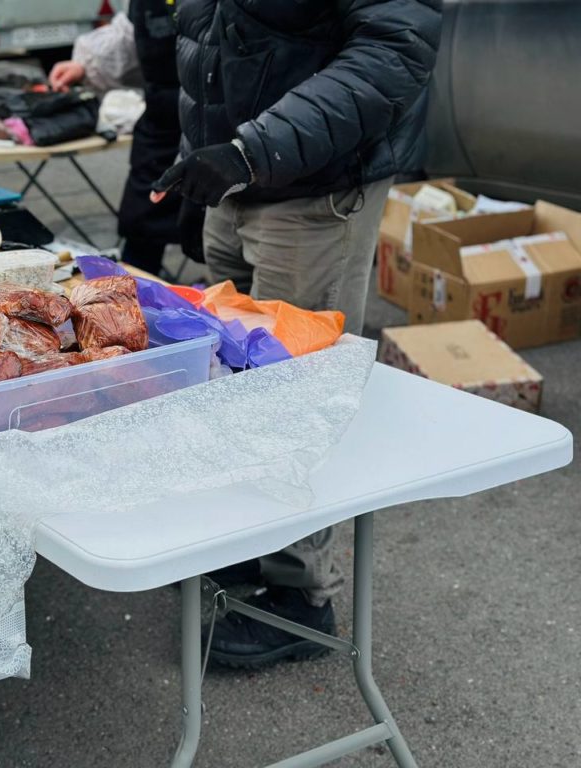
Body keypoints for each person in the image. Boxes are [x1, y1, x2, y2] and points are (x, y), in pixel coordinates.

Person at [152, 0, 442, 669]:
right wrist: (199, 161)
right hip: (236, 178)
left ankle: (301, 596)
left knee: (297, 395)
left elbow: (395, 49)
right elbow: (210, 50)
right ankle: (246, 546)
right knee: (228, 381)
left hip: (312, 189)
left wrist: (251, 150)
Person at [49, 0, 185, 276]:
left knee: (220, 239)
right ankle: (132, 299)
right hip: (162, 124)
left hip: (220, 131)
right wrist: (85, 65)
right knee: (141, 227)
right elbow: (130, 33)